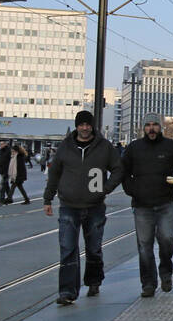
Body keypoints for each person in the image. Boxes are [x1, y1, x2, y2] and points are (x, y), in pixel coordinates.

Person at [44, 110, 124, 304]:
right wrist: (48, 198)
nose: (85, 128)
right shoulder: (65, 146)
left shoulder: (104, 147)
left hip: (95, 205)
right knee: (67, 248)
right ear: (76, 126)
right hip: (69, 205)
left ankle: (94, 280)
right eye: (81, 124)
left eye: (88, 124)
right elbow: (54, 173)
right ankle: (67, 292)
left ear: (92, 126)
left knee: (94, 248)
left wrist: (105, 189)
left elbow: (118, 169)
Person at [122, 111, 173, 296]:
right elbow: (123, 170)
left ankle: (166, 272)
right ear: (143, 128)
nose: (151, 128)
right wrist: (131, 190)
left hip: (166, 203)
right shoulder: (134, 148)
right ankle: (148, 284)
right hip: (142, 205)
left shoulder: (171, 146)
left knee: (166, 239)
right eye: (148, 125)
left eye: (154, 125)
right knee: (144, 246)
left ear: (160, 127)